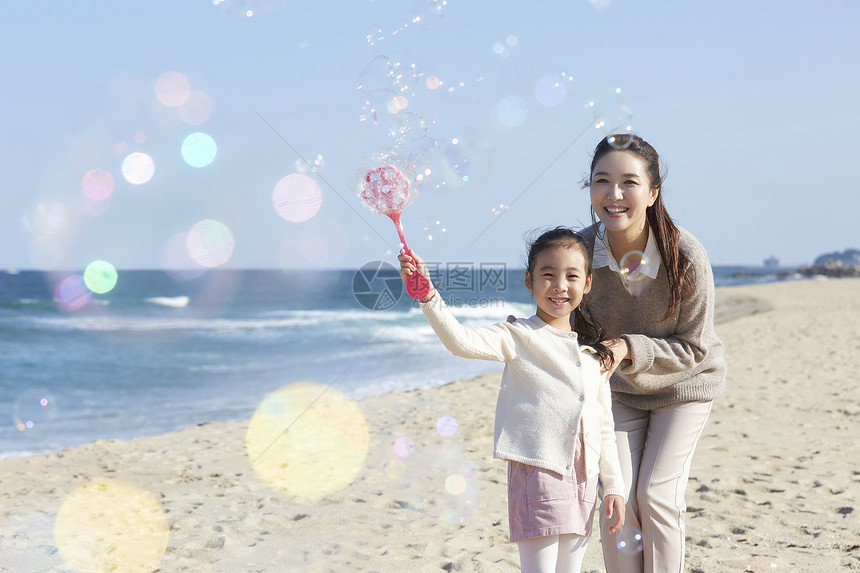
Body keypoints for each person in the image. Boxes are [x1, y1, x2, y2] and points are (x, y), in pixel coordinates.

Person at [399, 227, 625, 573]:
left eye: (572, 276)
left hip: (584, 478)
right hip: (539, 470)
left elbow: (604, 425)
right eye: (547, 275)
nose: (560, 286)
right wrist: (428, 295)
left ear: (588, 283)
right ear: (529, 281)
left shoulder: (592, 355)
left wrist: (613, 485)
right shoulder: (518, 335)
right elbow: (460, 341)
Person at [581, 133, 727, 573]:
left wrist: (628, 346)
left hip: (686, 383)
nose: (615, 194)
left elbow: (696, 346)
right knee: (618, 496)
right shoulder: (580, 251)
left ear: (653, 192)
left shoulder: (685, 254)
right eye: (602, 181)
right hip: (621, 391)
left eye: (629, 182)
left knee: (657, 494)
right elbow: (561, 315)